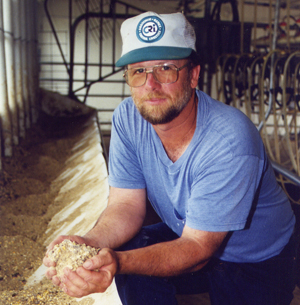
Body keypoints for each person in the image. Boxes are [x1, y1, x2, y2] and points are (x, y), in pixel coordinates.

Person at [43, 11, 298, 305]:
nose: (151, 85)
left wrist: (119, 262)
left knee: (128, 259)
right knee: (131, 246)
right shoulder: (128, 119)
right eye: (138, 71)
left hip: (256, 258)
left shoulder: (229, 141)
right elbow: (125, 205)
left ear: (193, 75)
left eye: (165, 68)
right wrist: (90, 243)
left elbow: (198, 249)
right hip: (188, 233)